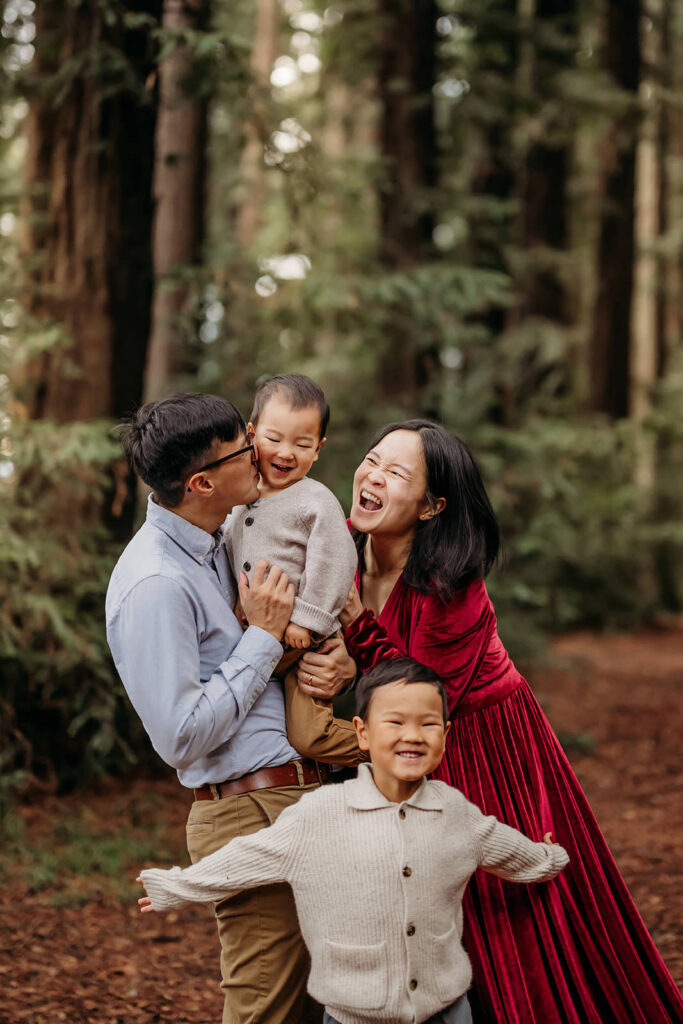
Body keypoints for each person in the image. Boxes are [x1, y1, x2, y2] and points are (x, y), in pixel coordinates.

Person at [289, 420, 683, 1024]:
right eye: (371, 460)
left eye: (396, 473)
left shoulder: (453, 584)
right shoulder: (339, 545)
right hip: (403, 752)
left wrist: (358, 639)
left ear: (431, 506)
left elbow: (426, 696)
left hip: (485, 748)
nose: (372, 477)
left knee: (501, 916)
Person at [137, 658, 569, 1024]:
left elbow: (510, 852)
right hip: (355, 1015)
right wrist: (175, 887)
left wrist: (550, 856)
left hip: (446, 1009)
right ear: (362, 733)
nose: (412, 735)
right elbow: (248, 856)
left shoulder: (456, 814)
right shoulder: (321, 815)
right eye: (395, 722)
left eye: (428, 724)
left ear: (445, 735)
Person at [105, 392, 324, 1024]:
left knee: (316, 1001)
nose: (261, 451)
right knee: (266, 1005)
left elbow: (247, 674)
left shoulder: (218, 540)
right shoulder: (156, 584)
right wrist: (262, 637)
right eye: (244, 447)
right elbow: (179, 735)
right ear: (201, 482)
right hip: (247, 812)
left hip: (294, 796)